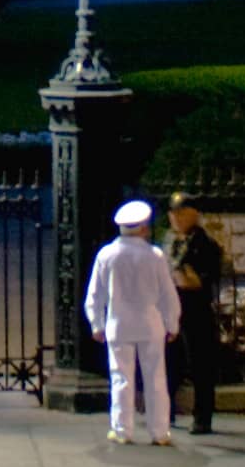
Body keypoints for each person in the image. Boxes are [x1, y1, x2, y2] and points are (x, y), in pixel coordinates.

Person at [85, 198, 182, 445]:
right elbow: (167, 294)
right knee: (155, 379)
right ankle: (160, 431)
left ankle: (121, 430)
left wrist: (96, 323)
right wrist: (172, 324)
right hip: (151, 325)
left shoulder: (106, 255)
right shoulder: (155, 256)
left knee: (121, 378)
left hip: (118, 325)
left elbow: (94, 294)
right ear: (142, 228)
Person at [166, 190, 221, 434]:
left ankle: (202, 417)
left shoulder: (204, 244)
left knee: (200, 366)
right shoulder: (173, 242)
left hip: (196, 310)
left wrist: (180, 273)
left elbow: (200, 281)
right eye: (173, 213)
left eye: (182, 212)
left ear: (194, 214)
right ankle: (166, 412)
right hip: (174, 310)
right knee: (172, 362)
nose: (176, 218)